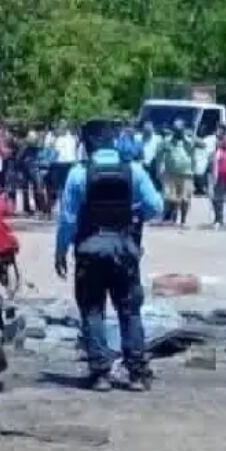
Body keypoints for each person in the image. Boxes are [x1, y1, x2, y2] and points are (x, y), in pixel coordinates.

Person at [55, 127, 164, 391]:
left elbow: (68, 219)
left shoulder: (78, 173)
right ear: (114, 142)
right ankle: (136, 373)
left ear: (86, 144)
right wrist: (133, 214)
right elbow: (156, 207)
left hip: (89, 250)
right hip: (124, 249)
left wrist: (60, 250)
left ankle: (100, 374)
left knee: (92, 309)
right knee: (129, 311)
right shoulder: (134, 170)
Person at [160, 119, 197, 227]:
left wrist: (185, 138)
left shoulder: (189, 140)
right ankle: (173, 218)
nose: (177, 131)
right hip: (171, 173)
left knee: (185, 198)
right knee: (171, 197)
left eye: (180, 129)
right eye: (176, 129)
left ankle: (183, 220)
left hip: (186, 174)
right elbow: (160, 154)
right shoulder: (167, 140)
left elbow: (194, 152)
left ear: (183, 129)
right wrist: (160, 169)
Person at [46, 119, 80, 214]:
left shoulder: (72, 137)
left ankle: (66, 207)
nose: (63, 127)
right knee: (55, 187)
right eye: (61, 125)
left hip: (69, 163)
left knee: (67, 186)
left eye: (64, 125)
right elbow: (48, 148)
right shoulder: (52, 136)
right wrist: (54, 139)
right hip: (57, 164)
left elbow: (75, 150)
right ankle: (52, 208)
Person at [139, 121, 162, 186]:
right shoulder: (138, 138)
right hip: (142, 166)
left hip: (154, 166)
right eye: (145, 130)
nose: (147, 131)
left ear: (152, 129)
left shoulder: (158, 139)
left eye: (149, 130)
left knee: (154, 185)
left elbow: (160, 154)